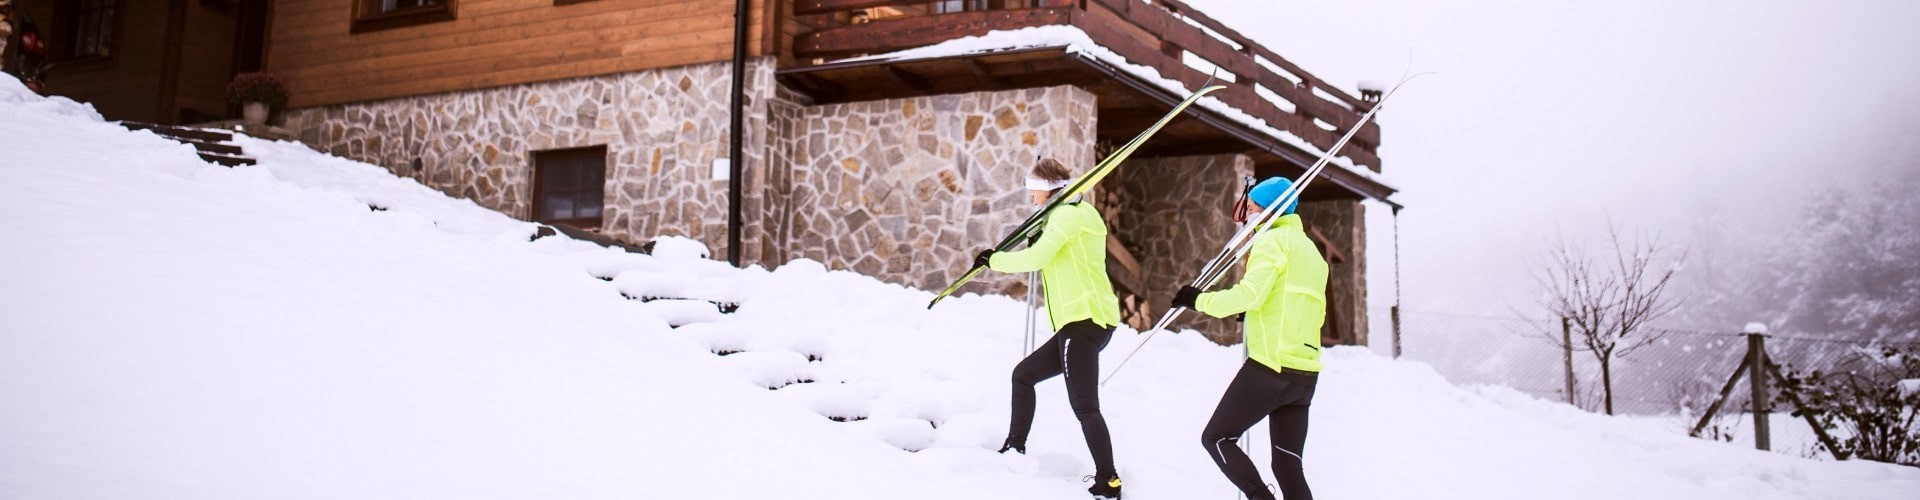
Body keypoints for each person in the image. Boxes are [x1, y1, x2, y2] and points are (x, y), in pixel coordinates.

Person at [1169, 176, 1328, 500]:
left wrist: (1197, 300)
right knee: (1287, 467)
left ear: (1271, 211)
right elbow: (1303, 307)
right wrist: (1257, 312)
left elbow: (1249, 294)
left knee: (1216, 438)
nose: (1247, 215)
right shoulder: (1311, 252)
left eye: (1254, 208)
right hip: (1304, 375)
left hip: (1270, 366)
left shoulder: (1272, 242)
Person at [975, 157, 1124, 499]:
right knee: (1023, 375)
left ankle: (1109, 480)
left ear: (1048, 190)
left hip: (1085, 320)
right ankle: (1015, 447)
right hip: (1079, 323)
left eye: (1033, 192)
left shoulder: (1070, 216)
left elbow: (1037, 259)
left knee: (1085, 406)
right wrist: (1039, 232)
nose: (1030, 199)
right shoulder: (1067, 214)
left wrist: (993, 260)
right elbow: (1051, 253)